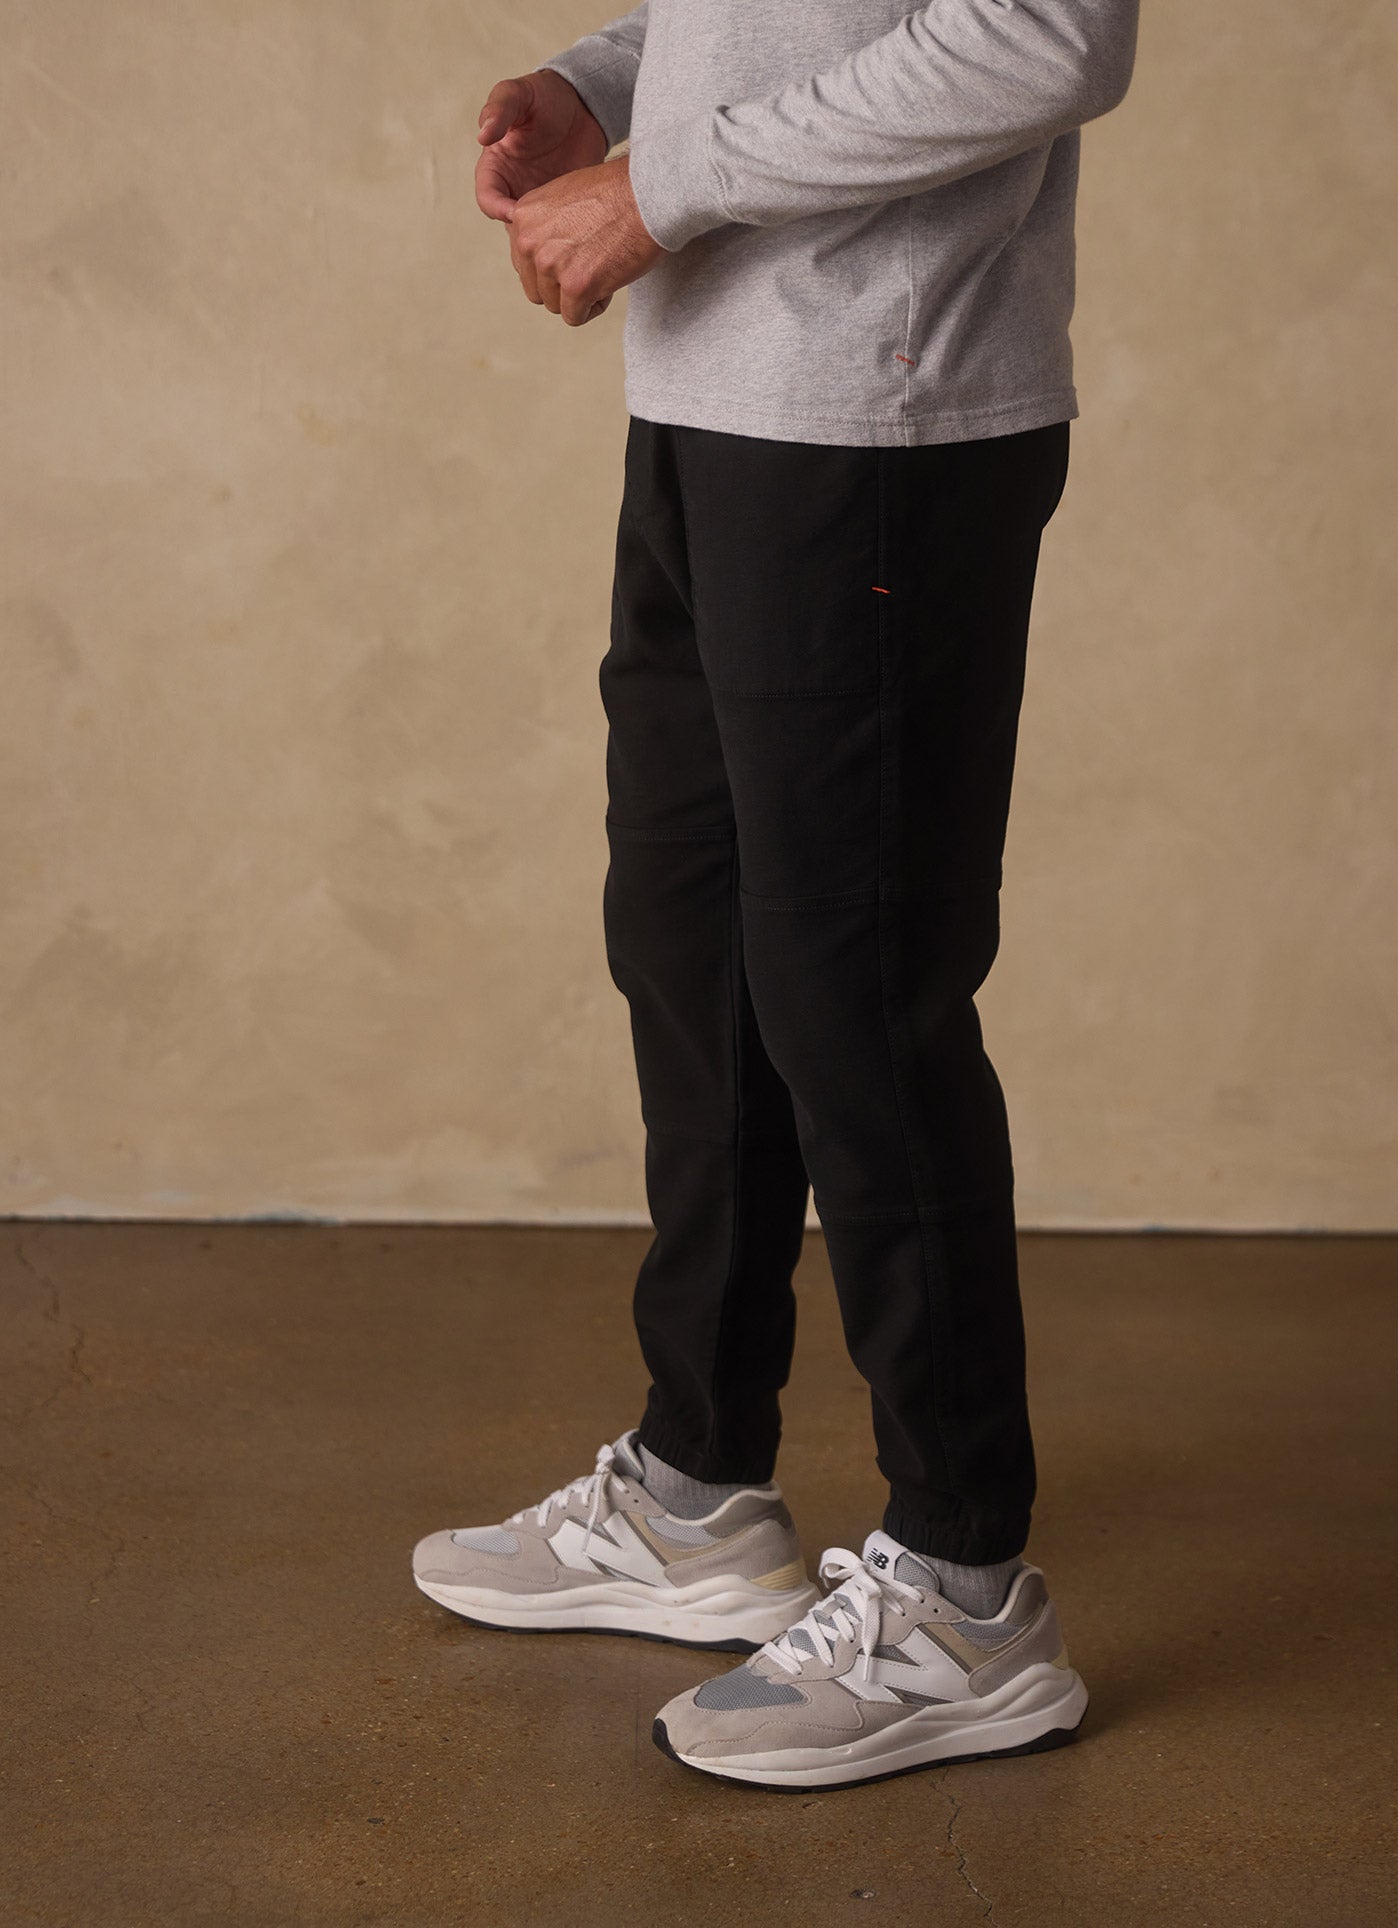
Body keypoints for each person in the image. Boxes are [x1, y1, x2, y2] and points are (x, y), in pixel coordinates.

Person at [412, 0, 1139, 1792]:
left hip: (882, 422)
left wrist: (660, 186)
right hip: (708, 395)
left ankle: (966, 1591)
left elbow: (1049, 38)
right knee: (693, 947)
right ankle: (699, 1481)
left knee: (855, 992)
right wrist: (598, 87)